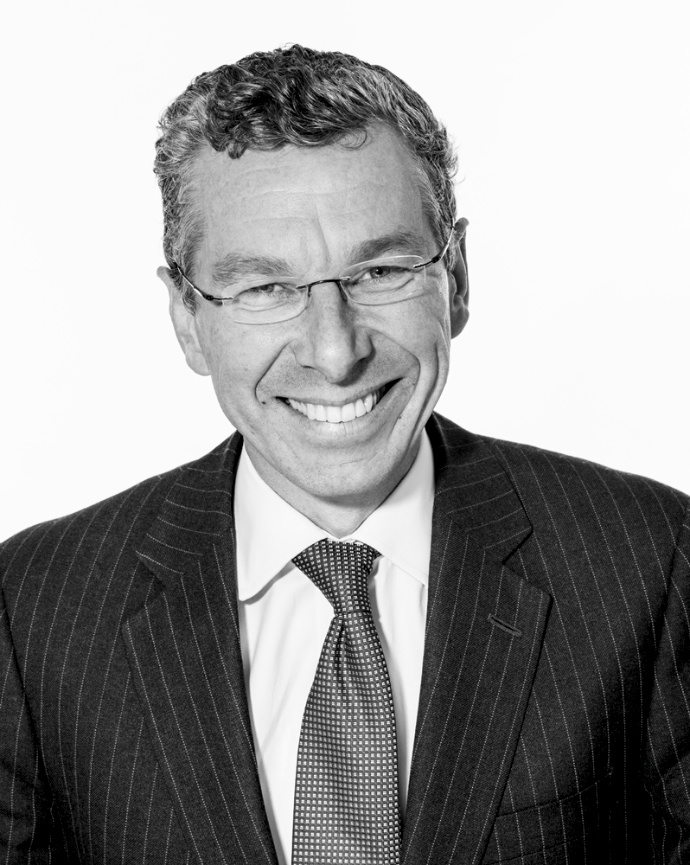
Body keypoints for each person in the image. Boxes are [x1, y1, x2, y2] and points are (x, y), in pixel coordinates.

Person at [1, 43, 688, 865]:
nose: (335, 352)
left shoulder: (651, 563)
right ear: (187, 318)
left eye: (381, 270)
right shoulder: (34, 611)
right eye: (265, 287)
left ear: (456, 277)